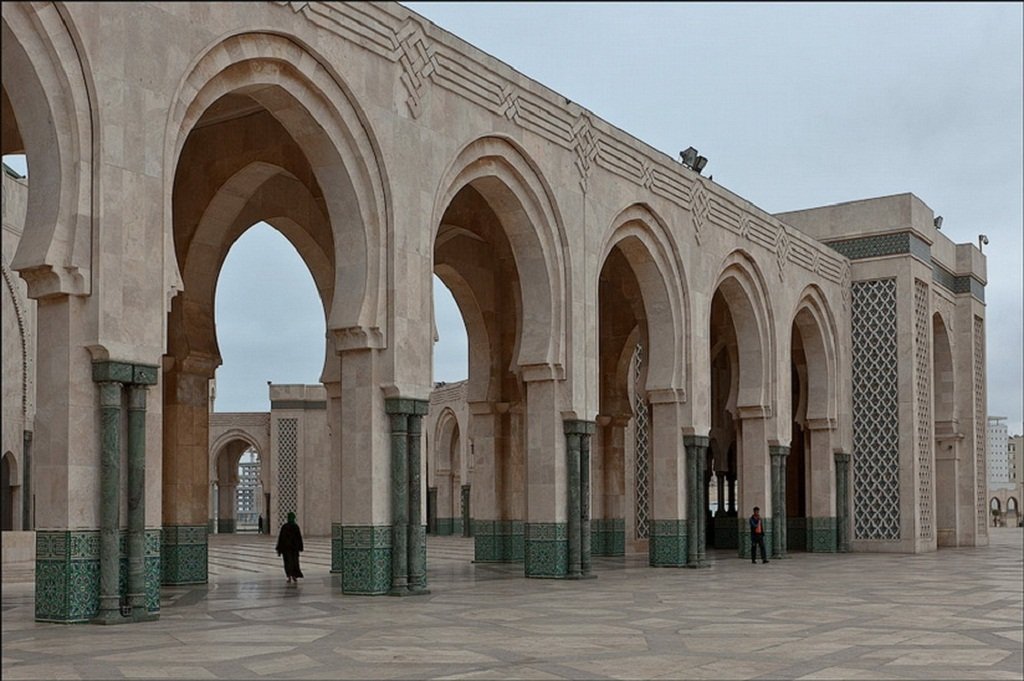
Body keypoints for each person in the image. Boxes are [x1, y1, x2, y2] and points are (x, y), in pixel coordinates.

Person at [276, 512, 304, 584]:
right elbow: (299, 538)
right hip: (294, 549)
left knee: (288, 562)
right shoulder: (295, 527)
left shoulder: (284, 527)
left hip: (286, 549)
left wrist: (279, 549)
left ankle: (289, 576)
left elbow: (281, 539)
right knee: (294, 562)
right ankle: (294, 575)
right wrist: (300, 547)